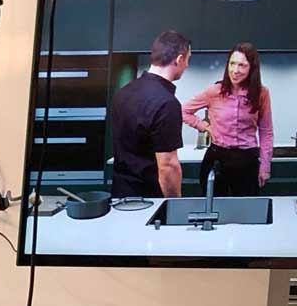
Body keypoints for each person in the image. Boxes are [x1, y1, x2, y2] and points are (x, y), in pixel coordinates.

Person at [182, 43, 275, 198]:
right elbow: (183, 111)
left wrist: (265, 166)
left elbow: (266, 132)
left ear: (252, 68)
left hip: (247, 160)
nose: (235, 70)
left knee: (246, 208)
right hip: (217, 159)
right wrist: (205, 127)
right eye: (232, 63)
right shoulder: (215, 91)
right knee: (215, 208)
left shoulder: (261, 93)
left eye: (242, 65)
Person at [107, 30, 192, 198]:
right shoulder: (167, 103)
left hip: (120, 195)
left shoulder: (124, 92)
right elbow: (168, 166)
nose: (187, 65)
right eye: (188, 59)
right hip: (149, 201)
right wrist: (175, 206)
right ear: (179, 59)